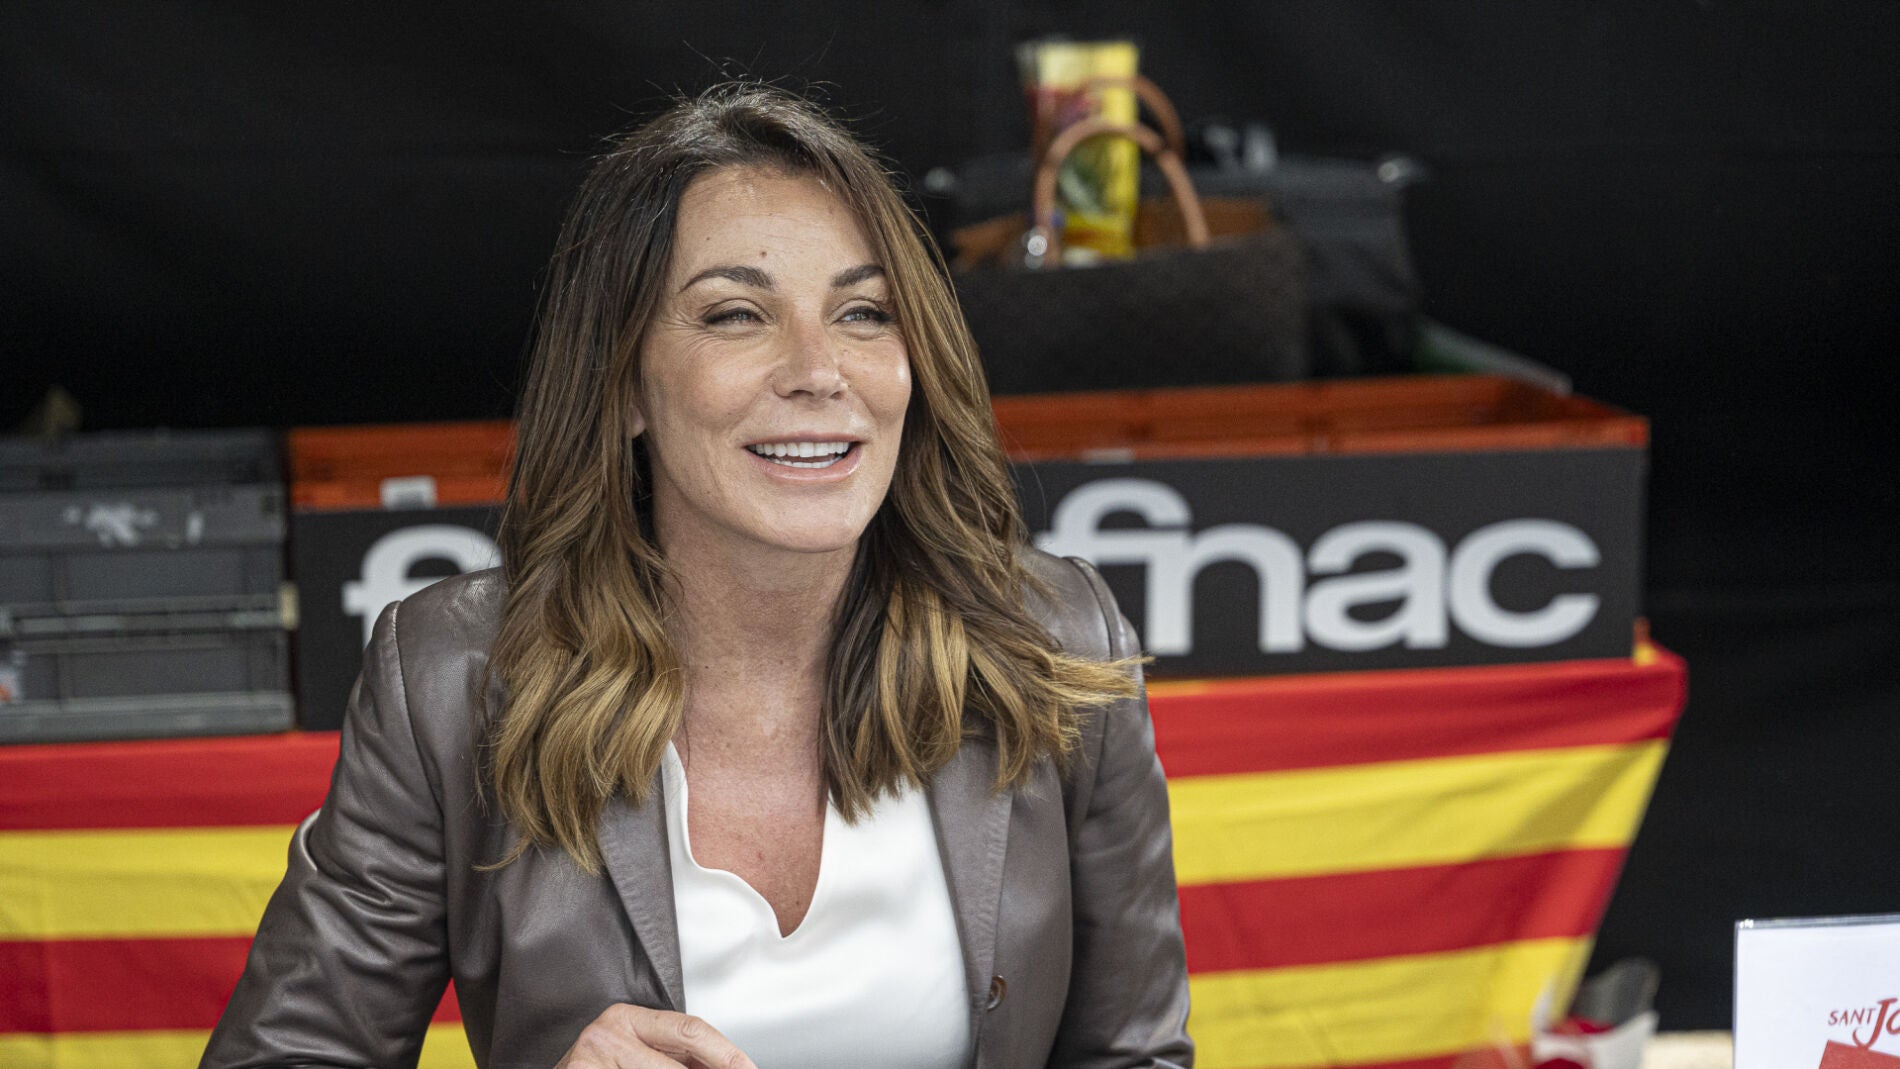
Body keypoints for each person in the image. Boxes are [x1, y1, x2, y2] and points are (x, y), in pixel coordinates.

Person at [202, 82, 1191, 1069]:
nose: (818, 370)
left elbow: (1136, 1057)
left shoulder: (1060, 640)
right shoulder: (452, 678)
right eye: (735, 315)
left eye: (862, 311)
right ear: (626, 381)